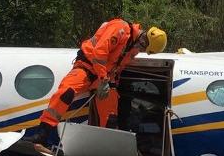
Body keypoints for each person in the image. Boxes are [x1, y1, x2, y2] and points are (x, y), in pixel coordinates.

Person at [31, 19, 167, 147]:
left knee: (111, 115)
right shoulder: (120, 28)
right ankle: (42, 133)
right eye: (143, 45)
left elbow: (118, 66)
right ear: (143, 36)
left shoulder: (134, 47)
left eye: (144, 49)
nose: (140, 49)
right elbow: (99, 53)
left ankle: (104, 147)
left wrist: (111, 83)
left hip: (105, 77)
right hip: (87, 68)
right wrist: (103, 79)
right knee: (66, 93)